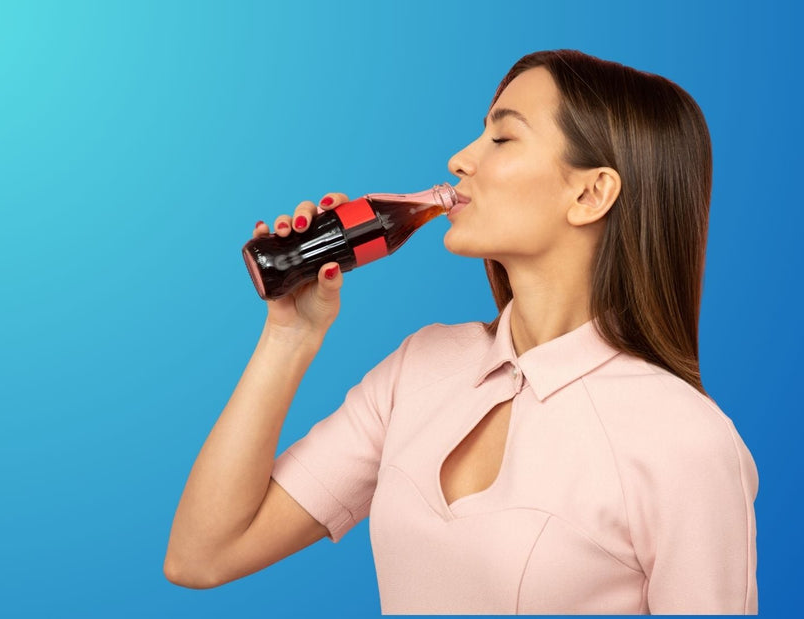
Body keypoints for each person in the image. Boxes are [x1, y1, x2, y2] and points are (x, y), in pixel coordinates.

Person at [164, 49, 759, 615]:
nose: (460, 159)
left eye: (502, 137)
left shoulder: (683, 441)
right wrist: (290, 336)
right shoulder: (422, 369)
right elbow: (203, 555)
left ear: (589, 192)